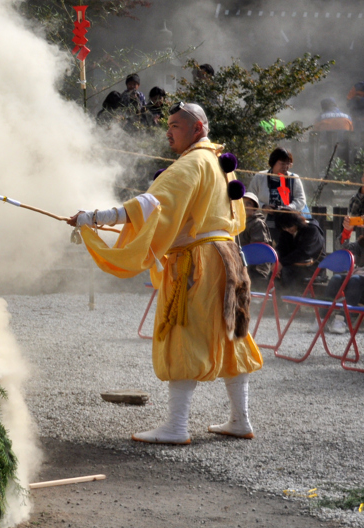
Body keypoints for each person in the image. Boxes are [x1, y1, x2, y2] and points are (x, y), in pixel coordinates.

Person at [67, 101, 262, 444]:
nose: (168, 132)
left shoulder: (192, 162)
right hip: (229, 257)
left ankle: (177, 426)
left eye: (175, 126)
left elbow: (149, 206)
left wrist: (94, 218)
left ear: (197, 128)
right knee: (232, 331)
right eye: (168, 125)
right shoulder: (219, 162)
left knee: (182, 332)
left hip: (198, 261)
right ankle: (240, 419)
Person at [246, 147, 306, 239]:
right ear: (273, 162)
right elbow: (249, 198)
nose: (285, 167)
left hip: (287, 225)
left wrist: (288, 208)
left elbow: (301, 200)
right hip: (262, 223)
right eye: (282, 163)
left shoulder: (294, 179)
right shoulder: (260, 177)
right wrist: (263, 207)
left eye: (288, 164)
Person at [273, 208, 325, 293]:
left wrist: (282, 263)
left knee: (287, 272)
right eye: (284, 227)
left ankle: (291, 300)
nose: (287, 229)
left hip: (312, 266)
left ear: (295, 221)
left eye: (289, 226)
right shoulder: (286, 232)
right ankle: (276, 300)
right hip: (292, 264)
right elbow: (281, 248)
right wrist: (277, 263)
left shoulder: (311, 229)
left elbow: (304, 252)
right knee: (274, 273)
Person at [237, 192, 272, 288]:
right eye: (242, 203)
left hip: (256, 269)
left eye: (248, 204)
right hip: (240, 266)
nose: (244, 206)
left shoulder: (257, 223)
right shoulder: (236, 223)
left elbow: (257, 252)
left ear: (254, 209)